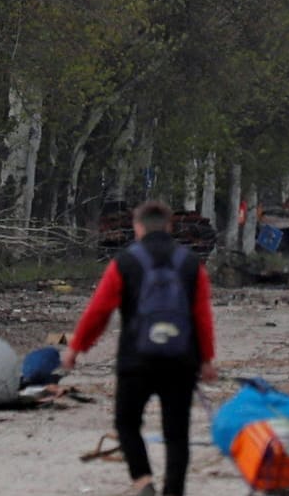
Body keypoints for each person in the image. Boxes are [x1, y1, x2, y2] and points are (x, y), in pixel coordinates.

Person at [65, 200, 218, 496]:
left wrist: (76, 348)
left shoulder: (125, 262)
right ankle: (173, 491)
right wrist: (206, 359)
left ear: (137, 227)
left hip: (137, 360)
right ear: (170, 227)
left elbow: (99, 311)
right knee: (176, 433)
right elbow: (202, 316)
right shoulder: (190, 263)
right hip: (180, 360)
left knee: (127, 422)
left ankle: (143, 480)